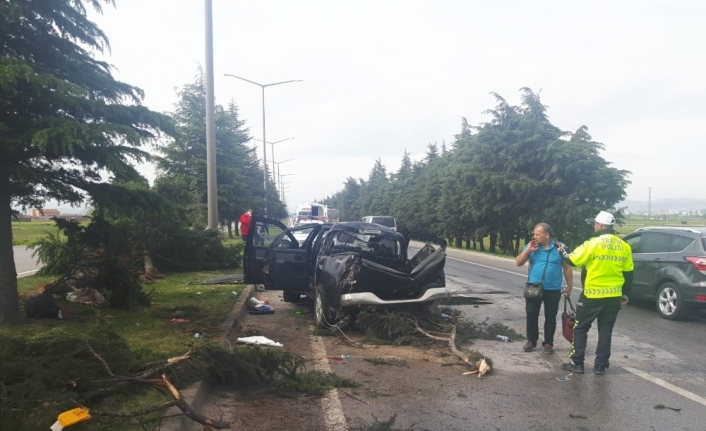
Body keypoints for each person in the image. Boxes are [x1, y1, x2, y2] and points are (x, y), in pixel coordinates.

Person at [558, 210, 633, 375]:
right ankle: (600, 366)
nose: (594, 225)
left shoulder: (593, 243)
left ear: (600, 225)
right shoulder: (624, 246)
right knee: (605, 331)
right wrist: (625, 294)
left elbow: (571, 259)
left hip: (592, 295)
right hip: (614, 296)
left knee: (580, 328)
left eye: (595, 223)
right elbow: (628, 273)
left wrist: (562, 250)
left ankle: (577, 362)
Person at [515, 223, 574, 354]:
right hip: (533, 287)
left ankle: (548, 343)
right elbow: (518, 262)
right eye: (534, 234)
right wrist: (528, 251)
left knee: (551, 317)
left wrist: (570, 286)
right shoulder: (531, 246)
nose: (534, 236)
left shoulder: (560, 247)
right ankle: (531, 341)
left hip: (553, 289)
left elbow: (567, 267)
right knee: (531, 315)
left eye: (537, 234)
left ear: (547, 235)